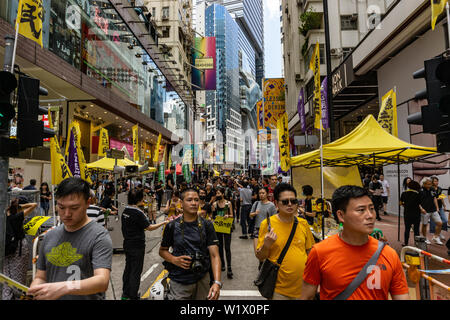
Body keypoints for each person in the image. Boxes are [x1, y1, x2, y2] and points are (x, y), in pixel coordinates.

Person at [301, 185, 410, 300]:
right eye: (361, 210)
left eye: (372, 209)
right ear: (341, 215)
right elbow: (306, 296)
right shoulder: (319, 252)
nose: (370, 215)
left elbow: (402, 296)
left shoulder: (389, 254)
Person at [28, 177, 113, 300]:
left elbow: (101, 281)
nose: (67, 214)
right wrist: (35, 289)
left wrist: (64, 287)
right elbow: (41, 277)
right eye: (61, 207)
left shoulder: (99, 237)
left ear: (88, 203)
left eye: (74, 208)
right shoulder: (49, 236)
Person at [159, 188, 222, 300]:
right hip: (179, 280)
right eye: (189, 200)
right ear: (181, 203)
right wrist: (174, 260)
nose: (193, 203)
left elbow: (214, 255)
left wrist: (217, 282)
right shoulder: (172, 226)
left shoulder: (207, 225)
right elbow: (162, 250)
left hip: (202, 279)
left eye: (196, 200)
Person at [256, 183, 314, 300]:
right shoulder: (267, 224)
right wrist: (266, 245)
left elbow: (310, 252)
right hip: (279, 290)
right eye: (285, 201)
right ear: (276, 203)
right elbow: (260, 256)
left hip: (303, 288)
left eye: (293, 201)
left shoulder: (303, 224)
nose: (290, 204)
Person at [121, 188, 169, 300]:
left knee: (128, 269)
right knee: (136, 271)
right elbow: (149, 227)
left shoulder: (125, 211)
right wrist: (164, 222)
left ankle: (125, 293)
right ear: (138, 199)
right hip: (137, 245)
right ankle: (133, 296)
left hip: (127, 244)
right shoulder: (137, 213)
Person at [2, 198, 37, 300]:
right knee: (19, 278)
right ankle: (16, 297)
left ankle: (7, 296)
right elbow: (34, 205)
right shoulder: (16, 217)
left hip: (7, 250)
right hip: (19, 249)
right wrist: (21, 207)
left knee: (7, 277)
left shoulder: (4, 218)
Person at [212, 187, 234, 279]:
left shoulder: (228, 203)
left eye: (219, 193)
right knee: (219, 246)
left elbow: (232, 215)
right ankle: (222, 264)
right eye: (216, 193)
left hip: (227, 226)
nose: (217, 195)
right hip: (218, 227)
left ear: (222, 194)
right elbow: (213, 217)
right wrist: (215, 216)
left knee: (227, 247)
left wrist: (228, 215)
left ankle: (229, 267)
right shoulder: (214, 204)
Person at [250, 186, 277, 254]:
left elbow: (275, 219)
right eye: (260, 193)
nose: (261, 195)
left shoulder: (271, 205)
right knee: (257, 251)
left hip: (267, 230)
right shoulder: (256, 203)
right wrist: (254, 213)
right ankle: (260, 263)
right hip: (257, 229)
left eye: (263, 193)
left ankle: (263, 263)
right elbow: (250, 215)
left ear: (267, 194)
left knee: (266, 251)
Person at [419, 177, 443, 245]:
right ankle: (424, 237)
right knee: (424, 225)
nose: (429, 185)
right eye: (428, 184)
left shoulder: (432, 189)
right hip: (425, 210)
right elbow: (417, 202)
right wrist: (421, 209)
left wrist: (437, 207)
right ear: (424, 184)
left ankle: (436, 237)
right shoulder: (420, 190)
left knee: (440, 223)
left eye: (430, 184)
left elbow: (434, 198)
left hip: (433, 210)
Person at [400, 180, 421, 247]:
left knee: (407, 229)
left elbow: (400, 203)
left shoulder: (404, 193)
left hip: (407, 213)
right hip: (416, 213)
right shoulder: (418, 194)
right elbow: (420, 204)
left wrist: (405, 205)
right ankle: (417, 244)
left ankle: (406, 243)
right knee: (416, 230)